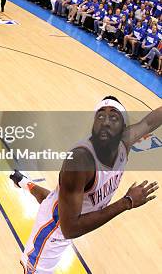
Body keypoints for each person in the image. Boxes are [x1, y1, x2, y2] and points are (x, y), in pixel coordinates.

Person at [12, 97, 161, 273]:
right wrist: (126, 202)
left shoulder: (125, 142)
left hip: (70, 209)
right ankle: (25, 183)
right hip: (53, 233)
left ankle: (24, 182)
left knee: (53, 199)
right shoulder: (80, 162)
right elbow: (70, 229)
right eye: (100, 117)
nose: (106, 122)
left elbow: (150, 121)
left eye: (114, 117)